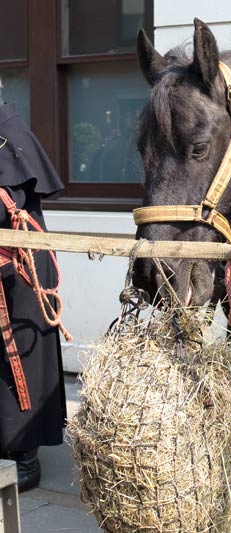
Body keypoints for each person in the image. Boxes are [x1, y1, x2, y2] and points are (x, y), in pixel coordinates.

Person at [0, 97, 67, 492]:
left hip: (20, 269)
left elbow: (14, 200)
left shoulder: (6, 127)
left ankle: (25, 456)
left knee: (21, 357)